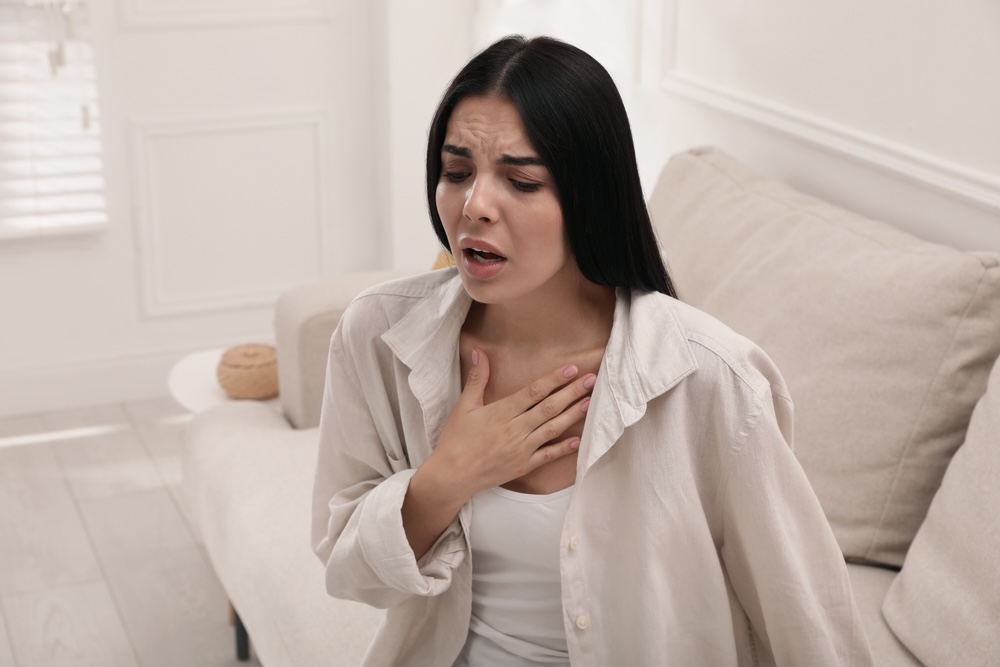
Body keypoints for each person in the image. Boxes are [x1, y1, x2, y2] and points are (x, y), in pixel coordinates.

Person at [312, 35, 873, 667]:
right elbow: (350, 569)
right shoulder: (375, 336)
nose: (474, 206)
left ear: (591, 198)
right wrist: (445, 479)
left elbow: (806, 619)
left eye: (521, 181)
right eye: (456, 172)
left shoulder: (712, 379)